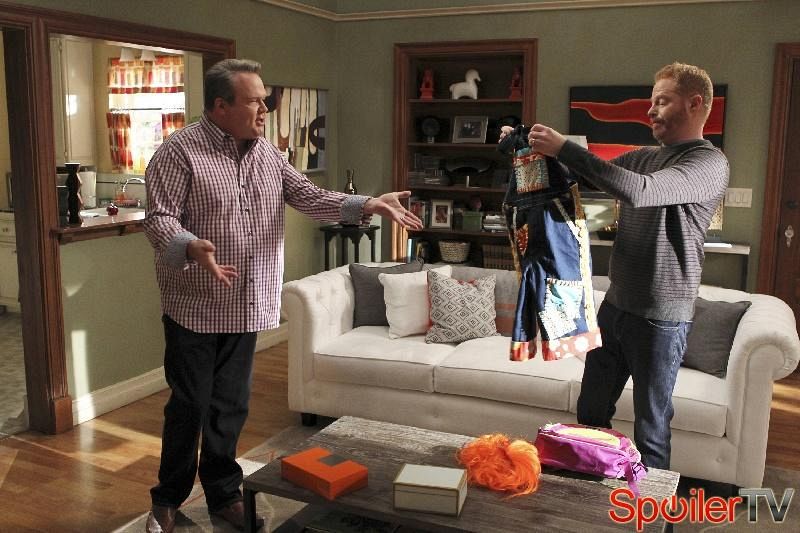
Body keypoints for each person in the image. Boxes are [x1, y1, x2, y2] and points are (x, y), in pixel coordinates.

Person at [142, 58, 422, 533]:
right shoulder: (179, 152)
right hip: (196, 305)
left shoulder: (268, 154)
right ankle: (167, 499)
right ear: (220, 106)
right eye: (254, 101)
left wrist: (368, 204)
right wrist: (189, 245)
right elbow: (159, 218)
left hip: (247, 304)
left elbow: (308, 195)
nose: (265, 109)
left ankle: (223, 493)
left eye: (265, 100)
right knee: (190, 406)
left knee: (230, 406)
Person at [508, 62, 729, 470]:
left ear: (695, 103)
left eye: (662, 101)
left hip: (662, 319)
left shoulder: (708, 164)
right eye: (651, 101)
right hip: (615, 307)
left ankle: (654, 507)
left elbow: (639, 191)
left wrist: (563, 147)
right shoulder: (645, 156)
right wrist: (529, 148)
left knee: (652, 428)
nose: (650, 110)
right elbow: (583, 175)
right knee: (591, 411)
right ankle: (595, 491)